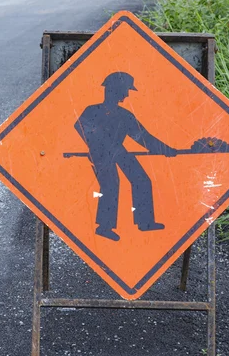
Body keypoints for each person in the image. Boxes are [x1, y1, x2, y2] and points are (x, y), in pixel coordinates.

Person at [74, 72, 177, 241]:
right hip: (100, 153)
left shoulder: (125, 115)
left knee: (142, 179)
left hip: (118, 150)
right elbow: (80, 126)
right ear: (115, 90)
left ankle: (145, 222)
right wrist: (98, 144)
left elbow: (143, 137)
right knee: (111, 183)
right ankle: (104, 227)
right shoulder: (92, 110)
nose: (127, 94)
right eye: (125, 90)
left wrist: (166, 149)